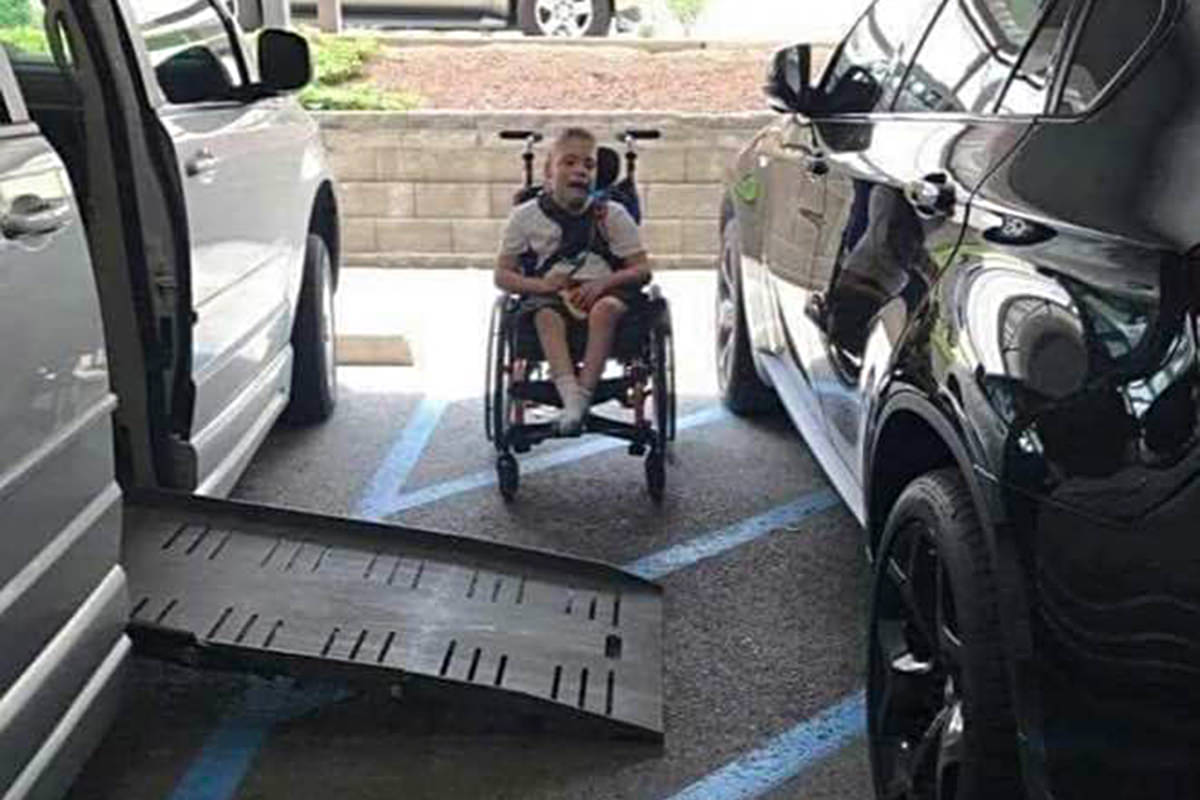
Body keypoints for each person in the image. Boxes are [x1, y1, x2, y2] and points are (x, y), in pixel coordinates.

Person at [494, 127, 651, 435]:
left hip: (606, 289)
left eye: (588, 165)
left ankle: (580, 400)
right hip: (551, 293)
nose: (580, 171)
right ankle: (572, 400)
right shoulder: (526, 216)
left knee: (605, 309)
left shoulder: (612, 214)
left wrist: (601, 285)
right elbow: (502, 275)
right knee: (545, 316)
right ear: (548, 170)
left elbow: (642, 270)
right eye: (569, 162)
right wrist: (542, 287)